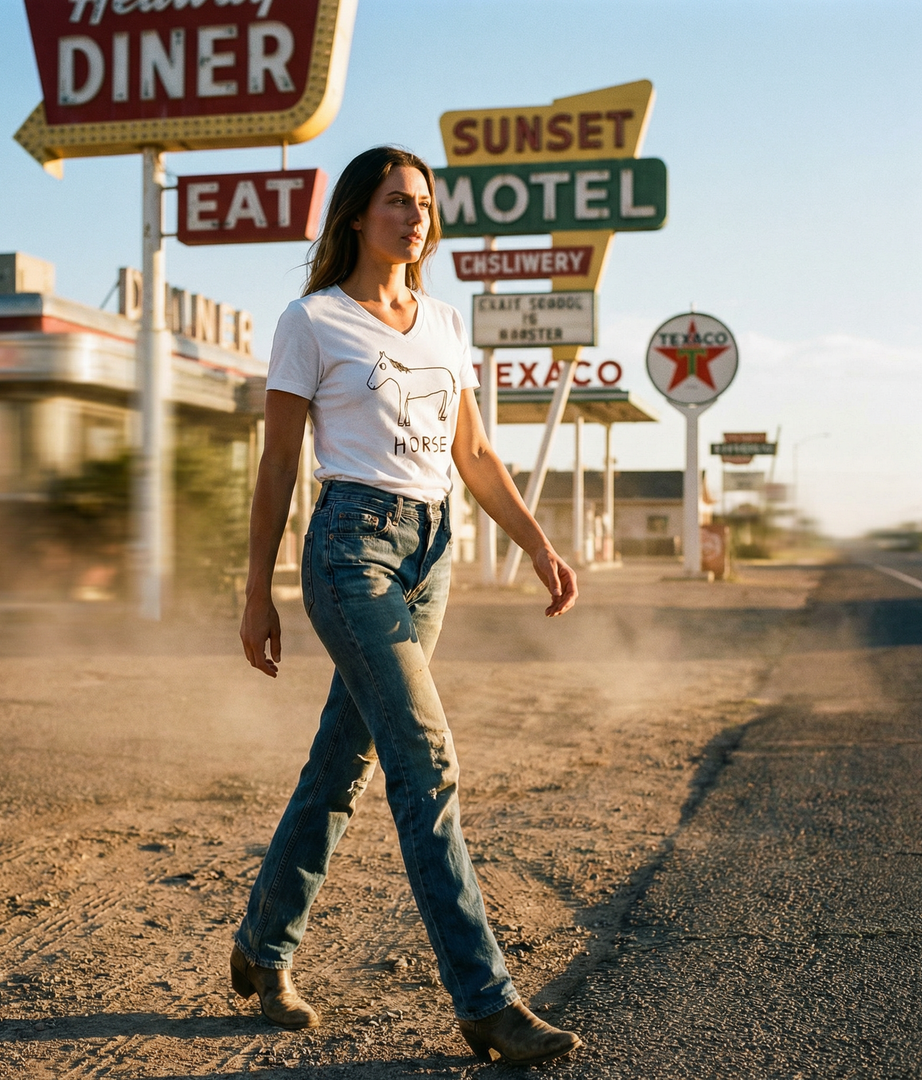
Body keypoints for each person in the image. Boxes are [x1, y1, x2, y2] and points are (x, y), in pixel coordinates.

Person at [233, 146, 581, 1067]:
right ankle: (486, 1002)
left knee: (342, 763)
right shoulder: (312, 322)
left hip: (433, 554)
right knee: (425, 760)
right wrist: (257, 590)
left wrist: (537, 544)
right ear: (357, 215)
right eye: (397, 201)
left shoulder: (443, 320)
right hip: (351, 549)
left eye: (424, 203)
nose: (416, 216)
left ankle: (261, 948)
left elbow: (474, 455)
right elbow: (276, 467)